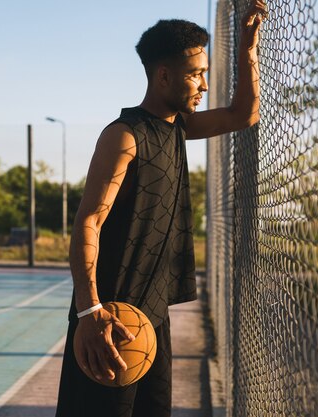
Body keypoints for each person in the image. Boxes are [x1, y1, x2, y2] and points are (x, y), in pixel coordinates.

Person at [55, 2, 267, 416]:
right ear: (163, 75)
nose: (204, 84)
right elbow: (88, 222)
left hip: (153, 316)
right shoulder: (124, 136)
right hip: (110, 316)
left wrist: (248, 47)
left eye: (205, 72)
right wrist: (89, 311)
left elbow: (245, 114)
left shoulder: (178, 128)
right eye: (195, 74)